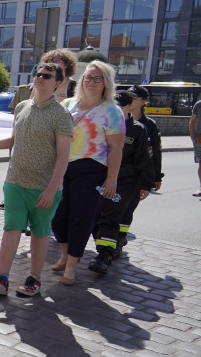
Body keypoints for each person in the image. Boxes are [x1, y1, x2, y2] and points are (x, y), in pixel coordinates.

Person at [0, 60, 73, 297]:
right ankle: (2, 278)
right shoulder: (21, 107)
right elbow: (13, 140)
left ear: (57, 83)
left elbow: (63, 156)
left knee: (39, 233)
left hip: (44, 187)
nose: (39, 77)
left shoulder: (61, 115)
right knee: (11, 229)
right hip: (15, 181)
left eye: (46, 76)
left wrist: (51, 190)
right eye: (38, 73)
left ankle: (34, 279)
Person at [51, 61, 124, 286]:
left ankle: (72, 266)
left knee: (81, 219)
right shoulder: (68, 104)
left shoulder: (112, 111)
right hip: (62, 167)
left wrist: (111, 179)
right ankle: (64, 255)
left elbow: (116, 149)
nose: (91, 82)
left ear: (106, 83)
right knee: (58, 216)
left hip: (92, 170)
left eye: (97, 78)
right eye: (88, 78)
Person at [89, 90, 154, 275]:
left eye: (120, 106)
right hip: (99, 177)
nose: (116, 109)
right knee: (96, 216)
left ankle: (104, 256)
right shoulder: (100, 123)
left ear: (128, 107)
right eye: (113, 105)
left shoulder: (138, 130)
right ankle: (109, 245)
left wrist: (146, 183)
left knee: (109, 215)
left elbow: (144, 159)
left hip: (125, 181)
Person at [114, 85, 163, 255]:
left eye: (135, 98)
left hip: (134, 175)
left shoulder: (148, 125)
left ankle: (119, 239)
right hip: (114, 172)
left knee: (127, 209)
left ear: (143, 102)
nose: (131, 100)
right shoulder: (113, 118)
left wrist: (156, 177)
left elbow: (155, 153)